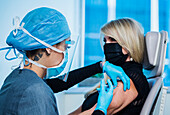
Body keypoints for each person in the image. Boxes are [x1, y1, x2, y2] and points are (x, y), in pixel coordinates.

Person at [0, 7, 130, 115]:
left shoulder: (18, 77)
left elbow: (58, 84)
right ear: (49, 48)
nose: (66, 52)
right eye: (65, 46)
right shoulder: (36, 92)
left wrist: (100, 66)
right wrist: (100, 110)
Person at [69, 18, 150, 115]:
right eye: (105, 40)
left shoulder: (127, 82)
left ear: (128, 43)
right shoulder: (114, 77)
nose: (106, 45)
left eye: (112, 39)